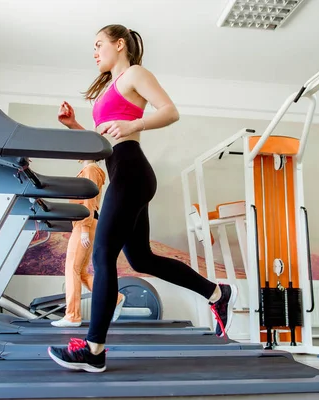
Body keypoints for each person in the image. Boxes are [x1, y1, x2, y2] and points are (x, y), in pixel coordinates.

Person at [48, 24, 238, 373]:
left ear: (119, 45)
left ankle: (94, 349)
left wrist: (136, 125)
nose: (94, 52)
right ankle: (216, 293)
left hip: (132, 170)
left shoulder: (135, 73)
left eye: (99, 45)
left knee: (103, 254)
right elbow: (104, 139)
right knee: (142, 258)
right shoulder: (110, 89)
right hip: (124, 171)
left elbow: (170, 111)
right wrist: (74, 126)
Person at [51, 158, 125, 327]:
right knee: (82, 272)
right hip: (85, 223)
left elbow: (89, 201)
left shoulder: (91, 169)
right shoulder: (89, 170)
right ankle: (115, 298)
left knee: (72, 268)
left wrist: (84, 227)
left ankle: (72, 316)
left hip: (86, 223)